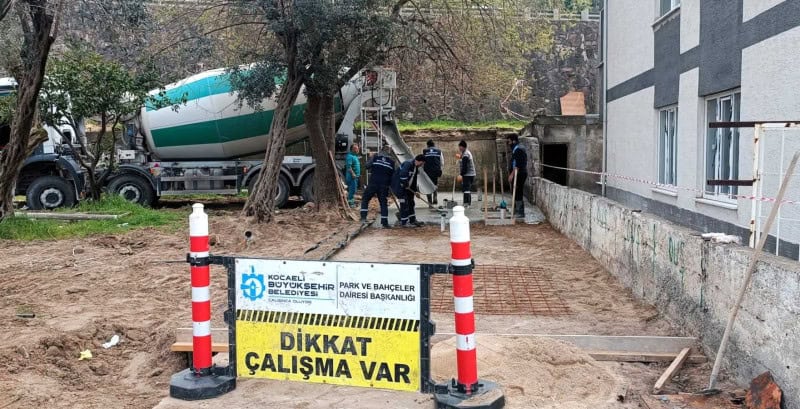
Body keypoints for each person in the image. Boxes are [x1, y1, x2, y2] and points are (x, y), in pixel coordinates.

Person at [360, 145, 395, 228]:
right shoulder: (392, 162)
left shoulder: (375, 157)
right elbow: (393, 175)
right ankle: (384, 223)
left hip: (373, 183)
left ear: (381, 150)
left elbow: (366, 166)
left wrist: (371, 159)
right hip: (384, 185)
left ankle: (363, 218)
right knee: (383, 203)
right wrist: (390, 187)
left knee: (365, 199)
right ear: (389, 152)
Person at [393, 154, 426, 227]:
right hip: (399, 187)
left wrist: (415, 191)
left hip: (407, 188)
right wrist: (406, 185)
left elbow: (414, 180)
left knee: (411, 202)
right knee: (404, 203)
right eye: (422, 163)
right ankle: (404, 222)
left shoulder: (416, 167)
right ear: (419, 161)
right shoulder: (408, 164)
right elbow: (403, 175)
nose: (422, 165)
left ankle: (412, 220)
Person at [507, 134, 527, 218]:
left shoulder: (519, 149)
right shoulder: (516, 149)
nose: (508, 144)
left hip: (519, 174)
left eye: (509, 141)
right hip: (517, 173)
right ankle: (516, 209)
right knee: (515, 192)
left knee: (518, 192)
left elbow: (518, 165)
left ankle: (520, 212)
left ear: (513, 141)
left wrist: (512, 175)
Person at [422, 139, 443, 207]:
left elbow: (422, 161)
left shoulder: (425, 151)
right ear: (434, 145)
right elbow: (442, 162)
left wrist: (422, 170)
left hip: (427, 171)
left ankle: (430, 202)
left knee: (428, 185)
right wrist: (440, 169)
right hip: (436, 171)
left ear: (427, 145)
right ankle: (435, 196)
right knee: (435, 183)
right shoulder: (439, 151)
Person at [458, 140, 476, 207]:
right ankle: (468, 203)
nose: (459, 148)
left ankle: (466, 203)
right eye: (459, 147)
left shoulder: (465, 154)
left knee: (466, 189)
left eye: (460, 147)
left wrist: (461, 174)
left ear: (463, 147)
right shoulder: (465, 153)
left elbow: (464, 166)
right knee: (467, 188)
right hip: (470, 174)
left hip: (468, 174)